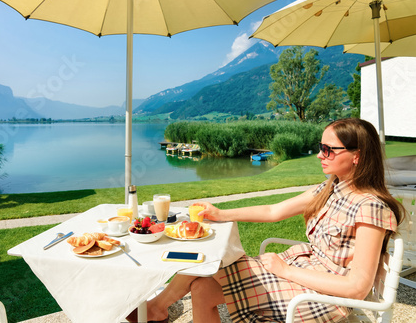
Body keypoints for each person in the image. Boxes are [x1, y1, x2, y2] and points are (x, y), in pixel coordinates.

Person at [127, 118, 406, 323]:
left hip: (322, 294)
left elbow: (356, 288)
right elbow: (274, 211)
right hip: (303, 270)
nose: (320, 154)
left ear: (357, 155)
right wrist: (221, 214)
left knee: (204, 263)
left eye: (329, 150)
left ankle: (156, 309)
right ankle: (157, 308)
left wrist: (285, 271)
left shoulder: (370, 207)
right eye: (320, 146)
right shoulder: (331, 187)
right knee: (202, 277)